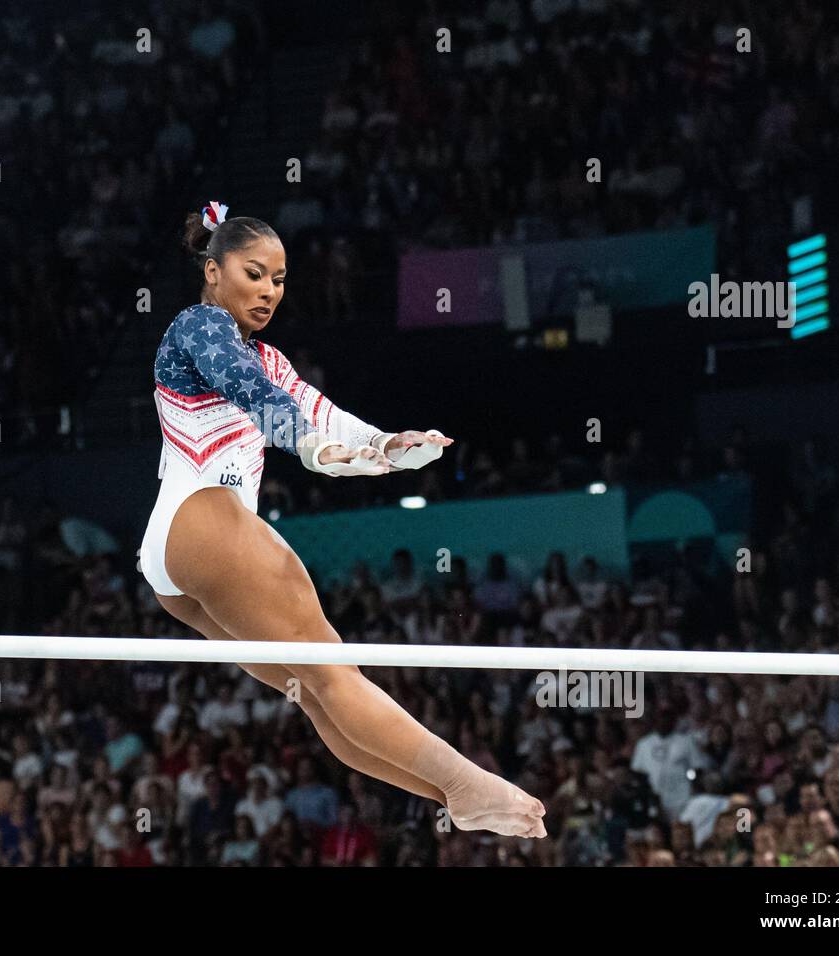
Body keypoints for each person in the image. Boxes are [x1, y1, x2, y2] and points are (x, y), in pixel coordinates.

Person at [136, 201, 545, 838]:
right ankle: (468, 780)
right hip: (204, 519)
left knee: (319, 691)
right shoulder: (198, 326)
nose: (269, 290)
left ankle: (453, 795)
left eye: (278, 278)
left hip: (180, 562)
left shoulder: (270, 359)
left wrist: (386, 447)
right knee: (332, 672)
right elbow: (252, 393)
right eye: (253, 273)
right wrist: (306, 443)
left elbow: (323, 419)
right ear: (212, 271)